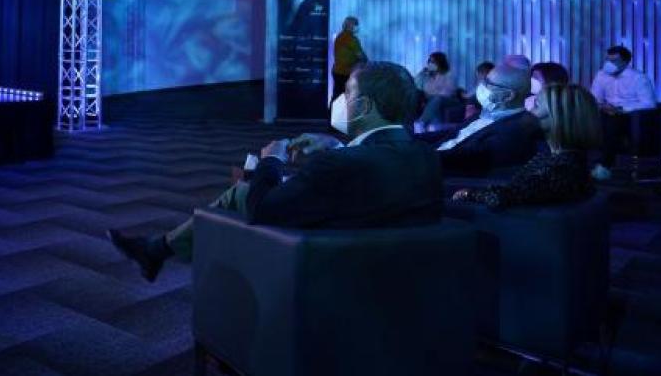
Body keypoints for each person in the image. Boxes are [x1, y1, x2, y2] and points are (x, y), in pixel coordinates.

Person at [107, 61, 442, 282]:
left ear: (365, 107)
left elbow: (263, 212)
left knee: (245, 191)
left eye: (348, 93)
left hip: (319, 269)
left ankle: (159, 251)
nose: (341, 100)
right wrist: (338, 146)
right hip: (390, 275)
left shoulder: (337, 167)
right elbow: (372, 169)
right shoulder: (426, 158)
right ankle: (156, 249)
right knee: (246, 188)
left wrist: (272, 160)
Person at [453, 84, 601, 209]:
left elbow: (503, 196)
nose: (529, 110)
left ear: (557, 118)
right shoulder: (556, 158)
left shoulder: (562, 169)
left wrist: (467, 194)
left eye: (537, 105)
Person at [434, 58, 542, 175]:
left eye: (488, 83)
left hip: (441, 172)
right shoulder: (488, 111)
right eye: (484, 80)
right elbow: (452, 134)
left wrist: (421, 155)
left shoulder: (513, 130)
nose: (482, 86)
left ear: (508, 96)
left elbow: (463, 158)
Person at [590, 45, 656, 180]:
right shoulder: (601, 75)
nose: (609, 64)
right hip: (606, 112)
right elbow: (594, 98)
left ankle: (605, 165)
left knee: (613, 119)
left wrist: (621, 109)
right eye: (607, 60)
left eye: (614, 61)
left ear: (626, 62)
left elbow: (649, 103)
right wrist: (602, 106)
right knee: (599, 116)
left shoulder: (638, 78)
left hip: (630, 117)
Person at [415, 51, 460, 127]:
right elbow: (416, 85)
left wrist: (430, 96)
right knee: (416, 95)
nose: (430, 64)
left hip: (448, 100)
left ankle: (421, 123)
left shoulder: (448, 75)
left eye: (433, 62)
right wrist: (420, 74)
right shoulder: (427, 77)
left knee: (437, 99)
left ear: (440, 63)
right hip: (431, 100)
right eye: (429, 61)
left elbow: (447, 93)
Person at [331, 15, 367, 102]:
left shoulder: (339, 37)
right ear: (350, 25)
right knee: (348, 98)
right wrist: (366, 62)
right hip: (346, 73)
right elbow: (360, 55)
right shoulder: (352, 39)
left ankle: (332, 110)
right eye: (356, 24)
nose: (357, 27)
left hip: (337, 71)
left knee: (337, 96)